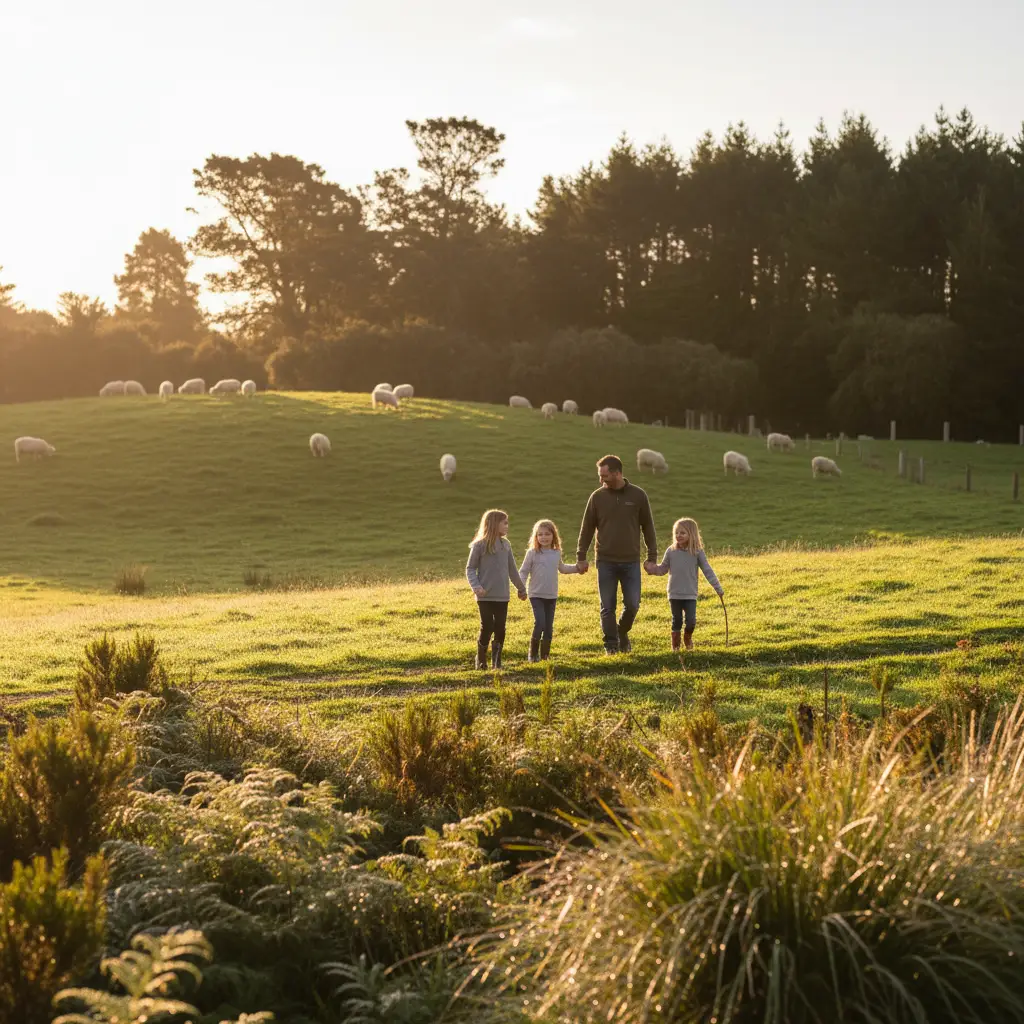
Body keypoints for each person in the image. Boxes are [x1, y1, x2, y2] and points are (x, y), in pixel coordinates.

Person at [575, 454, 658, 655]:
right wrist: (581, 556)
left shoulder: (638, 496)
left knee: (633, 604)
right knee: (607, 607)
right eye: (600, 475)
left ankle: (621, 632)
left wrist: (652, 557)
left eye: (604, 476)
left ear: (617, 473)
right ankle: (611, 646)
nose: (601, 480)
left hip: (631, 561)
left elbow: (648, 527)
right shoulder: (597, 497)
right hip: (605, 561)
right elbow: (586, 529)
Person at [646, 516, 723, 651]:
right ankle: (675, 647)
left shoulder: (697, 552)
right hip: (674, 593)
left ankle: (687, 638)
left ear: (691, 534)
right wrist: (652, 569)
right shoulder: (671, 551)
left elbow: (707, 570)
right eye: (676, 532)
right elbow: (663, 569)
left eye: (682, 533)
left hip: (690, 594)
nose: (678, 535)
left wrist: (718, 588)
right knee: (676, 620)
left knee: (691, 621)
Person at [466, 508, 527, 669]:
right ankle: (481, 659)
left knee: (500, 627)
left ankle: (496, 662)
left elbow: (512, 570)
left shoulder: (506, 545)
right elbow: (470, 569)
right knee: (487, 626)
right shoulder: (479, 545)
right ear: (494, 524)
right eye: (504, 523)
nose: (507, 526)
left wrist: (521, 589)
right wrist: (476, 587)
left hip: (502, 595)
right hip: (484, 596)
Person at [518, 519, 581, 662]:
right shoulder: (532, 553)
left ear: (553, 535)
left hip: (551, 595)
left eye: (547, 534)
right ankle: (533, 655)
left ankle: (545, 656)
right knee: (540, 623)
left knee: (548, 627)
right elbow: (523, 572)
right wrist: (521, 588)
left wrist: (578, 568)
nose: (544, 537)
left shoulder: (556, 553)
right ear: (536, 537)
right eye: (540, 534)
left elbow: (562, 568)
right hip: (536, 595)